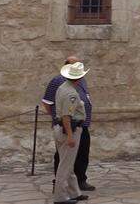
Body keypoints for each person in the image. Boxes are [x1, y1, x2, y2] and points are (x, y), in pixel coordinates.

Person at [42, 55, 95, 192]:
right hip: (68, 125)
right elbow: (47, 102)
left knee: (82, 153)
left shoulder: (81, 81)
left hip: (81, 124)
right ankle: (60, 187)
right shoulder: (58, 81)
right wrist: (57, 118)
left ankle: (80, 181)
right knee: (64, 157)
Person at [52, 61, 90, 204]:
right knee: (65, 166)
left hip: (60, 128)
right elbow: (66, 116)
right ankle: (60, 197)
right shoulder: (71, 93)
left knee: (68, 162)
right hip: (70, 129)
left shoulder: (62, 87)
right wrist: (69, 136)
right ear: (79, 78)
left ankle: (74, 192)